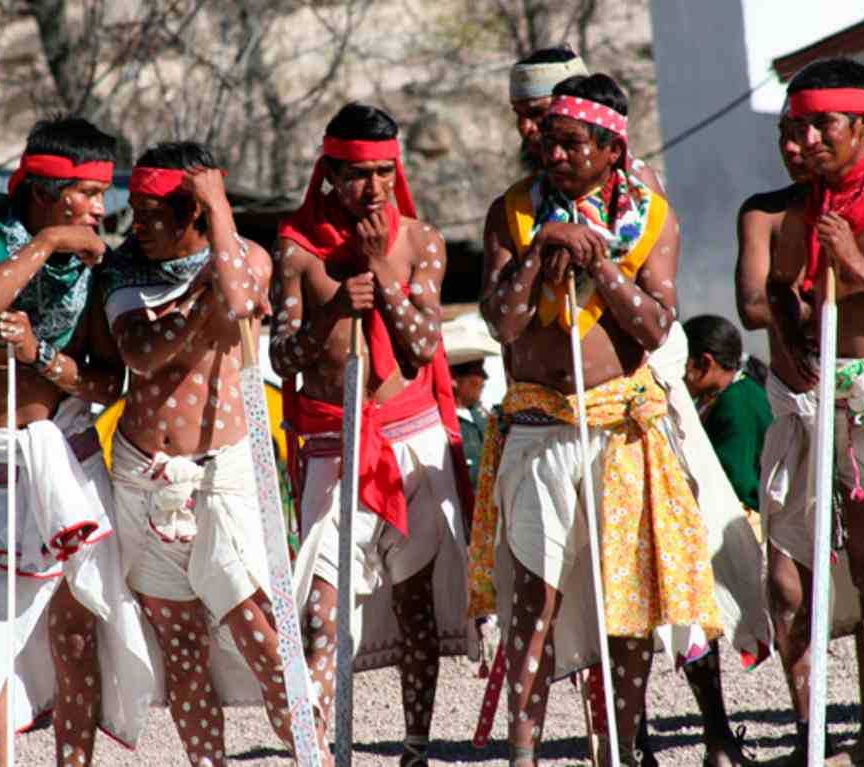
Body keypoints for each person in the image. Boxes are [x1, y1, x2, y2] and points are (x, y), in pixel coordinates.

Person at [471, 71, 725, 766]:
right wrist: (537, 252)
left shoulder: (653, 218)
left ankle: (616, 745)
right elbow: (501, 321)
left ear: (612, 148)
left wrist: (600, 263)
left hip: (618, 434)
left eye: (571, 144)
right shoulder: (513, 212)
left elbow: (653, 326)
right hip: (540, 433)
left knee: (627, 599)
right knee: (535, 597)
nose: (553, 156)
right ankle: (524, 750)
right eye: (548, 143)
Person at [0, 116, 154, 766]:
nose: (99, 207)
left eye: (101, 193)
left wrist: (41, 355)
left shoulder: (97, 266)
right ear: (46, 189)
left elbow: (105, 382)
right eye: (86, 193)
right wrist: (48, 241)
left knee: (76, 630)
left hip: (66, 462)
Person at [270, 102, 473, 767]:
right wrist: (333, 302)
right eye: (359, 174)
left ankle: (415, 745)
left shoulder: (422, 241)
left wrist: (382, 270)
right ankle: (319, 749)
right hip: (336, 448)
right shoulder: (298, 251)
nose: (375, 189)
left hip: (412, 444)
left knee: (415, 602)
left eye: (386, 172)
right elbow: (282, 359)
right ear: (329, 172)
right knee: (319, 612)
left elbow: (419, 347)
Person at [101, 140, 303, 766]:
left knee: (263, 637)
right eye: (132, 208)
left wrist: (220, 210)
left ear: (192, 213)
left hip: (224, 475)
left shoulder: (246, 257)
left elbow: (242, 302)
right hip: (144, 478)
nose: (137, 224)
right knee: (182, 647)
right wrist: (199, 305)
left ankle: (308, 751)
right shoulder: (121, 270)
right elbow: (142, 349)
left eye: (152, 210)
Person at [766, 56, 864, 764]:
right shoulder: (805, 208)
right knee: (862, 568)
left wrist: (856, 264)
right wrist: (791, 321)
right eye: (797, 126)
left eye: (821, 124)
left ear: (862, 124)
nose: (806, 140)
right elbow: (782, 291)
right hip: (833, 394)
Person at [509, 47, 665, 196]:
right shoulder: (517, 201)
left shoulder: (639, 191)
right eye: (519, 115)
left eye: (537, 113)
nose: (525, 127)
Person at [682, 314, 772, 512]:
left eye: (681, 364)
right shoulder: (730, 394)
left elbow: (736, 481)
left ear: (705, 363)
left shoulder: (737, 403)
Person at [451, 357, 490, 489]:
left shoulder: (487, 418)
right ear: (454, 380)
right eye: (476, 372)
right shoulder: (442, 426)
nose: (485, 378)